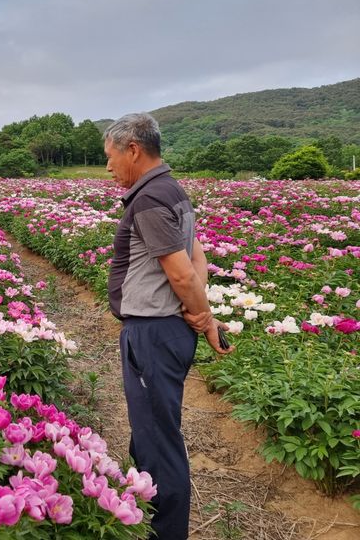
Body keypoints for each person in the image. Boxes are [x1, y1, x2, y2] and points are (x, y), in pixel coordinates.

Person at [103, 113, 234, 539]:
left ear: (133, 150)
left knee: (158, 439)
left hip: (154, 333)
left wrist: (205, 316)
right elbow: (198, 258)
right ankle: (142, 513)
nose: (108, 167)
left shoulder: (149, 199)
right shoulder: (171, 189)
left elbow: (181, 273)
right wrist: (199, 313)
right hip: (163, 330)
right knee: (150, 432)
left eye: (110, 157)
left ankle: (165, 531)